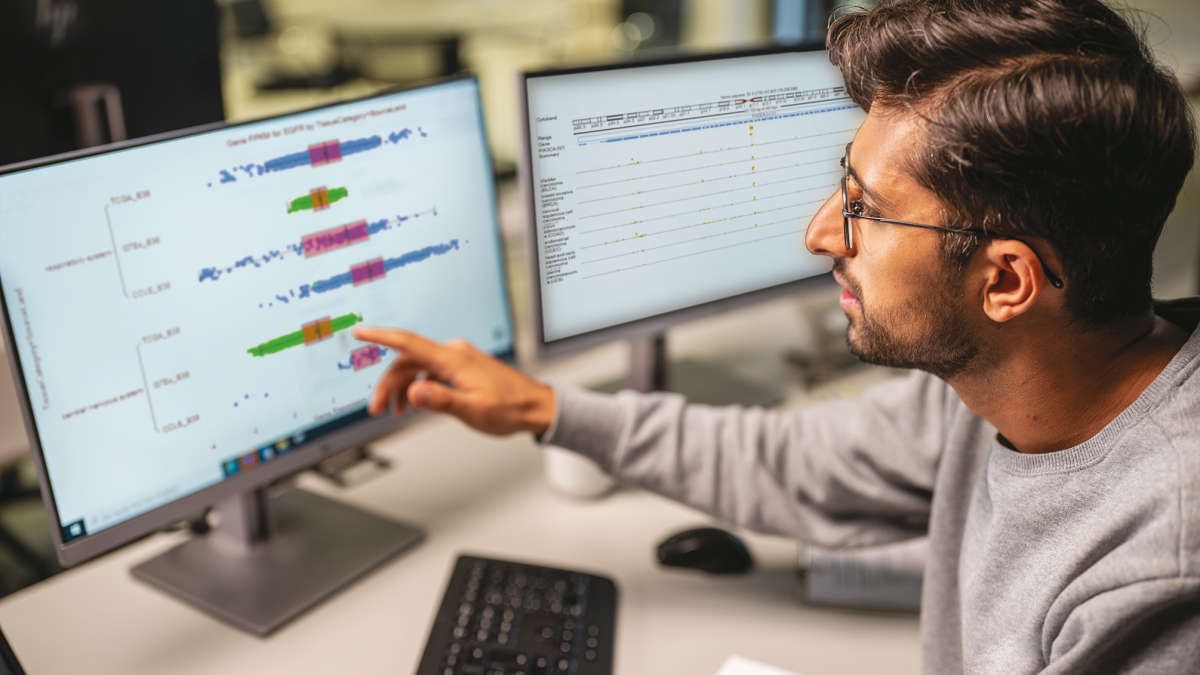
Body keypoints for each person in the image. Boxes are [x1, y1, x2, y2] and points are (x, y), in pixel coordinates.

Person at [354, 1, 1200, 672]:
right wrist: (545, 409)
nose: (821, 233)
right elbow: (798, 462)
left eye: (867, 208)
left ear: (1006, 282)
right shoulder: (1000, 389)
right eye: (843, 183)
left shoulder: (1158, 571)